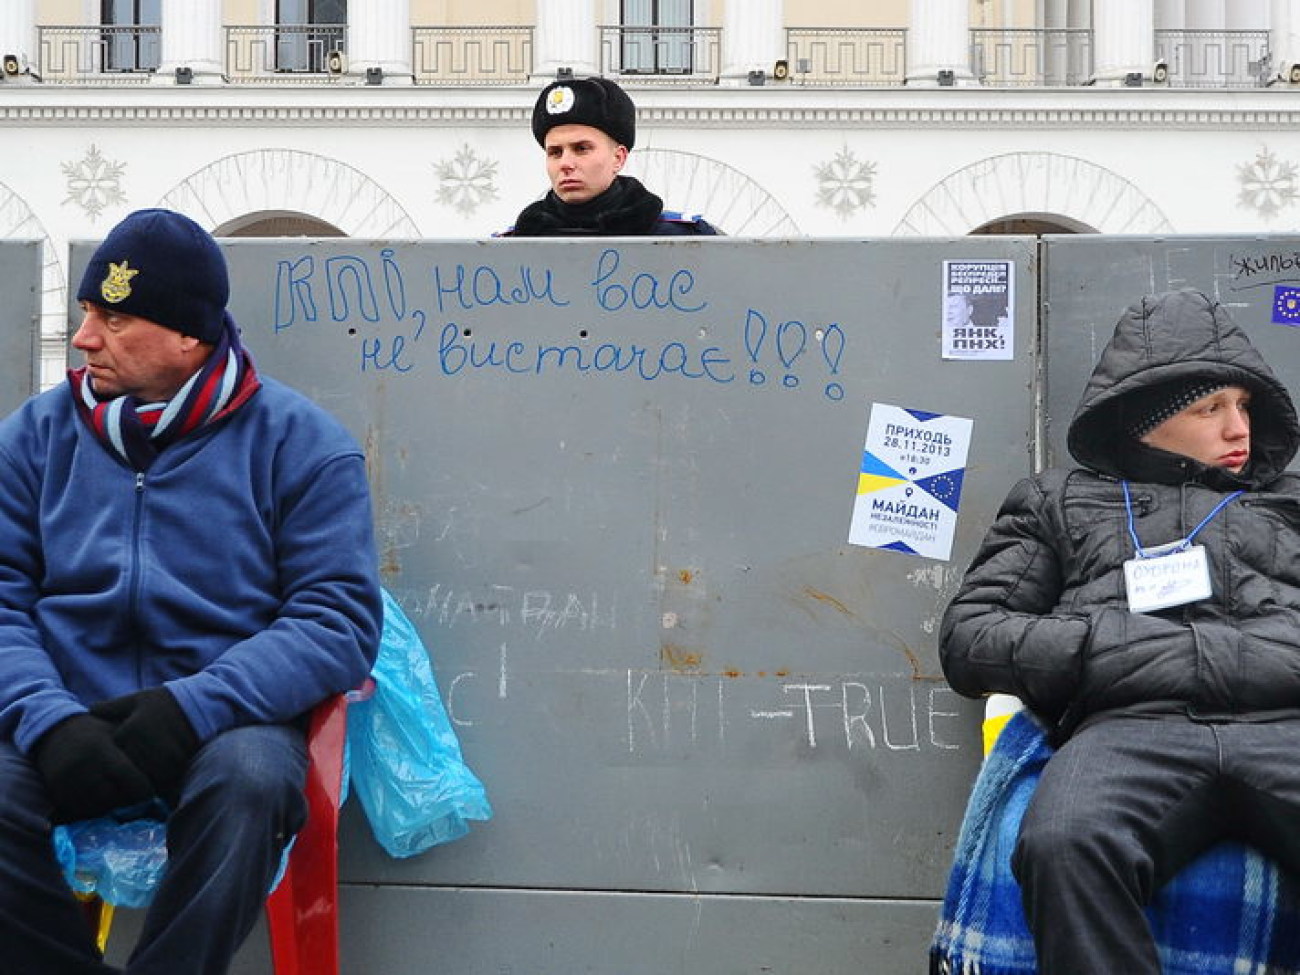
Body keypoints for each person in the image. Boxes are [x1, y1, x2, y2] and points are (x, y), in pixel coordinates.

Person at [0, 208, 382, 975]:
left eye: (114, 319)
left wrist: (192, 707)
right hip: (64, 714)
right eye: (85, 314)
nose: (84, 339)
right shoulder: (35, 435)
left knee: (251, 784)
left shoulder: (301, 444)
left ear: (188, 336)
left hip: (223, 723)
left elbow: (336, 619)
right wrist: (46, 721)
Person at [940, 288, 1300, 974]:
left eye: (1244, 406)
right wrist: (1106, 647)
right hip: (1130, 730)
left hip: (1285, 723)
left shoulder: (1288, 503)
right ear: (1145, 419)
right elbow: (970, 635)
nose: (1238, 430)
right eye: (1210, 408)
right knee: (1062, 840)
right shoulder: (1059, 501)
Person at [503, 75, 719, 236]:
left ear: (619, 158)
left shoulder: (686, 241)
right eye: (555, 152)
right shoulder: (508, 248)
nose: (566, 164)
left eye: (581, 148)